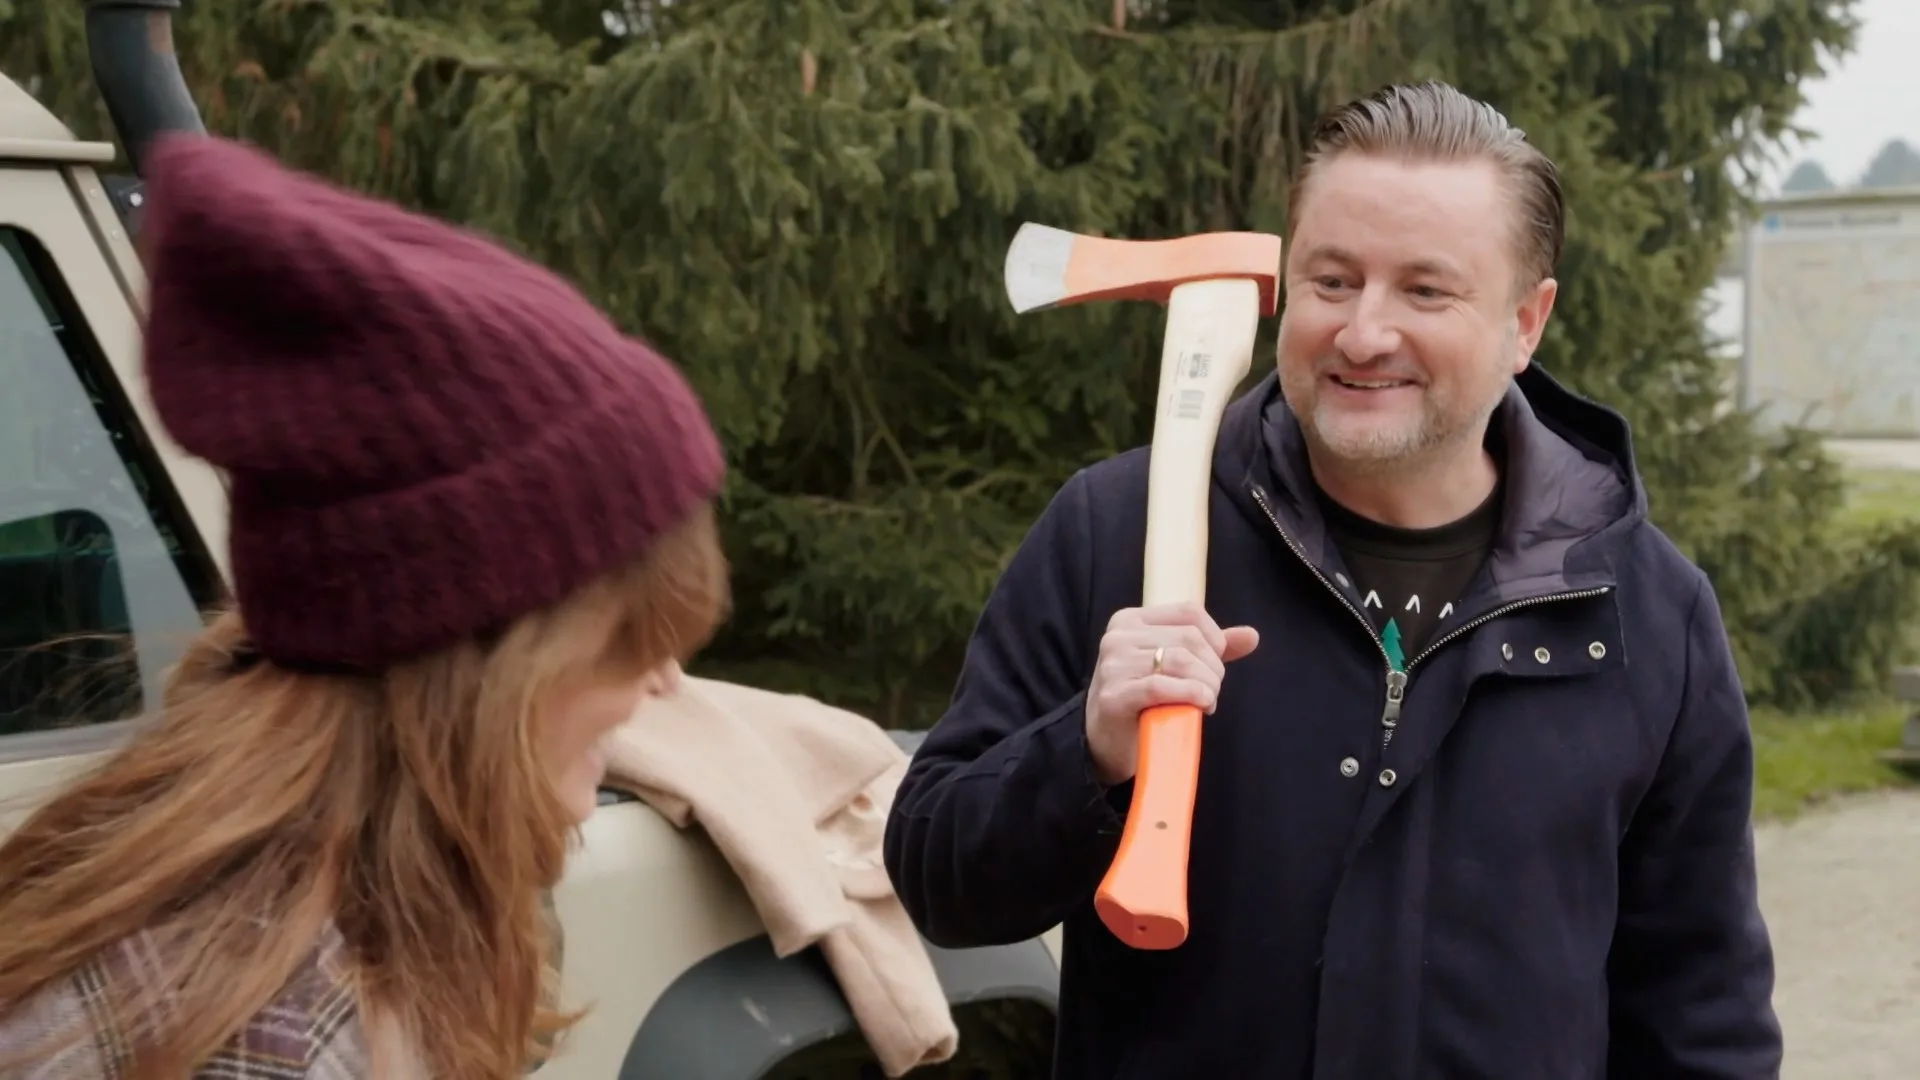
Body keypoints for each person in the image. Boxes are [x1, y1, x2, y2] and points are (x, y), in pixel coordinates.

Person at [884, 80, 1782, 1079]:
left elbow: (1703, 1016)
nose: (1363, 333)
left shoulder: (1646, 613)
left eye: (1425, 291)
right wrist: (1083, 752)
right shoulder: (1115, 534)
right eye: (1332, 280)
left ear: (1527, 323)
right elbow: (937, 876)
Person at [0, 133, 729, 1078]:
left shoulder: (255, 902)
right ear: (485, 658)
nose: (661, 682)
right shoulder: (278, 1042)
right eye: (628, 638)